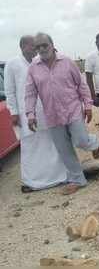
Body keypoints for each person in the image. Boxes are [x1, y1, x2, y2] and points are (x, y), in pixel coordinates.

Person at [25, 32, 99, 195]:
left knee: (81, 141)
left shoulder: (67, 62)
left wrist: (87, 105)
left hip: (72, 110)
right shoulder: (33, 68)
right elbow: (30, 93)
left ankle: (94, 142)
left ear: (52, 45)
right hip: (52, 115)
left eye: (44, 45)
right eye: (38, 47)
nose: (41, 49)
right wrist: (30, 114)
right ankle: (78, 180)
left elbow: (81, 85)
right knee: (64, 149)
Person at [4, 35, 67, 192]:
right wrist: (14, 112)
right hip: (25, 114)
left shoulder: (39, 61)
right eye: (34, 46)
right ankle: (32, 182)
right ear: (24, 46)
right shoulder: (12, 64)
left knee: (50, 143)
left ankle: (57, 177)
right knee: (31, 147)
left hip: (45, 110)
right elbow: (10, 91)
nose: (37, 49)